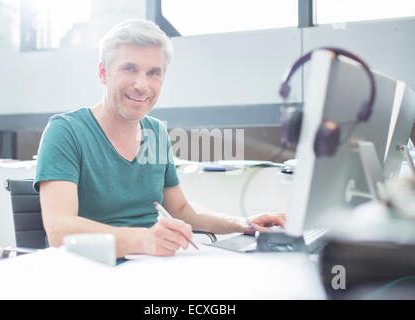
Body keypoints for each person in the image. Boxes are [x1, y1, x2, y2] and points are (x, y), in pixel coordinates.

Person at [34, 19, 285, 258]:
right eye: (129, 68)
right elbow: (60, 230)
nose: (142, 85)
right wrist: (144, 240)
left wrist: (243, 223)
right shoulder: (65, 131)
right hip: (88, 271)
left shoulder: (155, 133)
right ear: (103, 72)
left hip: (150, 265)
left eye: (154, 72)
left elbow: (181, 210)